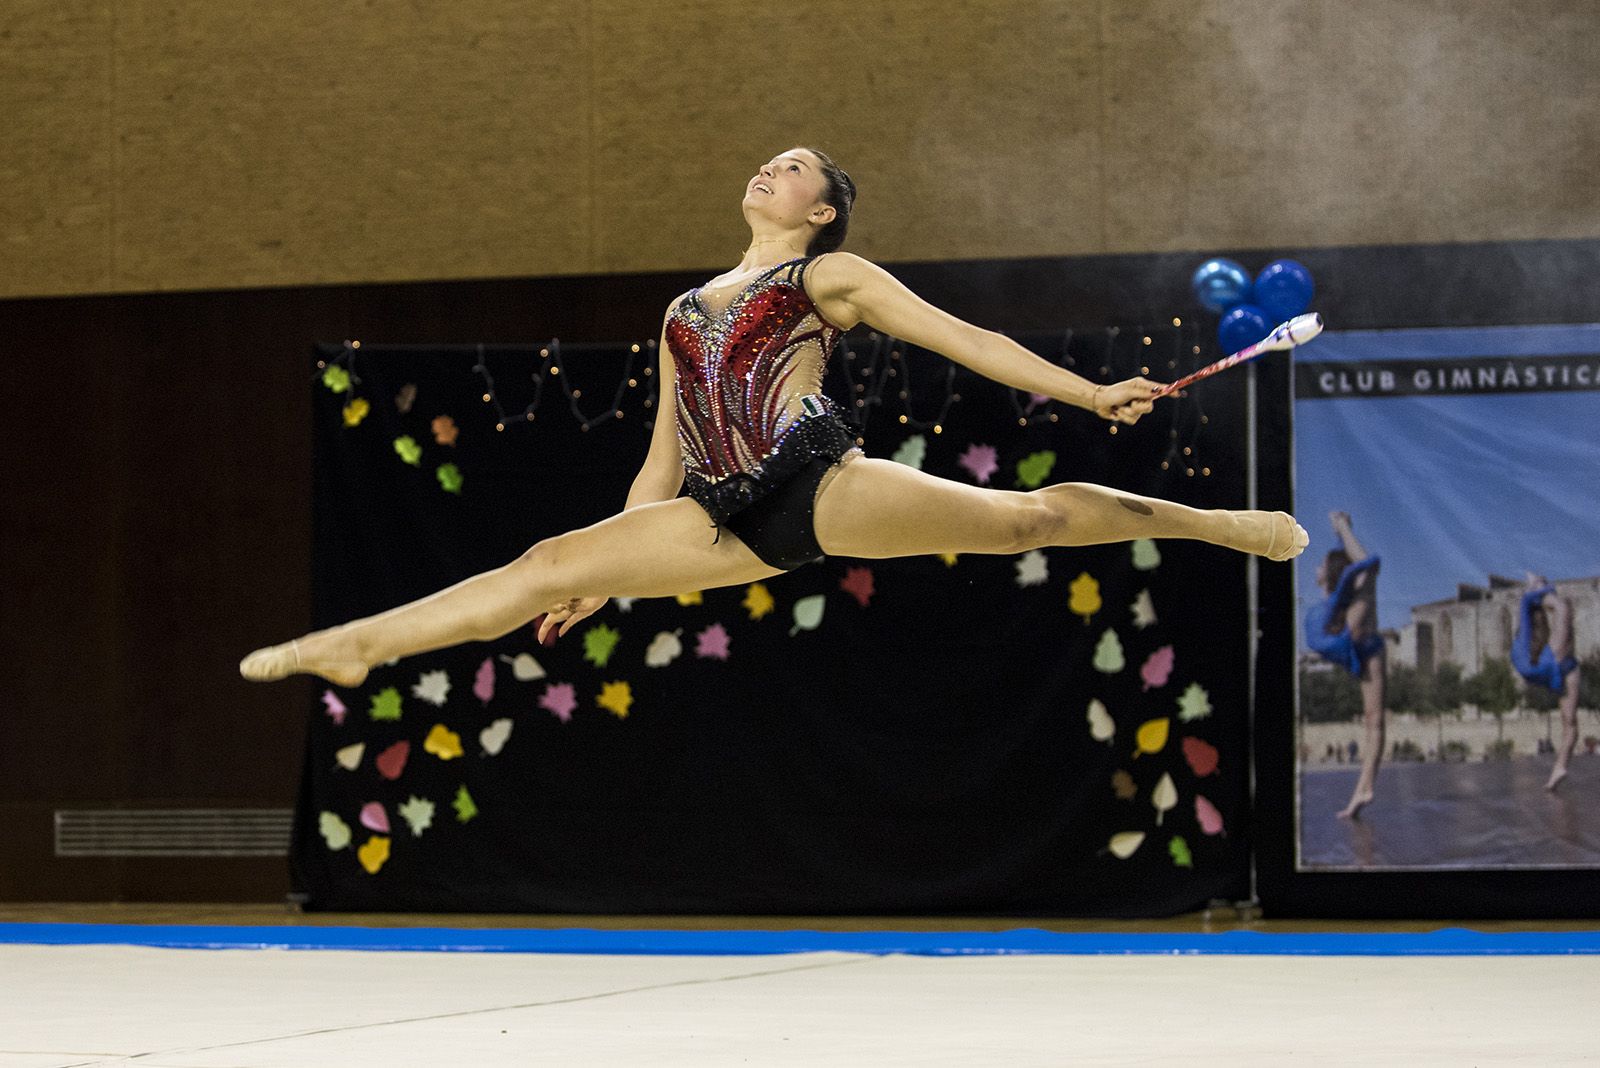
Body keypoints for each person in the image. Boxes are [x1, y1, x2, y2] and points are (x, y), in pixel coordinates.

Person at [241, 147, 1308, 686]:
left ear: (822, 208)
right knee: (549, 561)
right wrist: (610, 572)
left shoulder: (825, 275)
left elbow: (962, 340)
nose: (771, 167)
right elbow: (664, 455)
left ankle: (1221, 528)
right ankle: (356, 646)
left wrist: (1085, 393)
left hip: (821, 485)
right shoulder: (680, 309)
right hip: (715, 516)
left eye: (794, 167)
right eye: (769, 159)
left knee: (1024, 519)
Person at [1304, 511, 1384, 819]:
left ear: (1329, 573)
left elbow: (1368, 564)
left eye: (1321, 565)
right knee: (1370, 721)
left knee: (1374, 721)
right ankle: (1361, 790)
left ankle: (1364, 787)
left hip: (1368, 646)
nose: (1316, 567)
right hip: (1358, 644)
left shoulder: (1357, 597)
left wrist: (1343, 528)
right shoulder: (1331, 608)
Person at [1513, 573, 1581, 790]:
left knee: (1570, 724)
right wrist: (1541, 588)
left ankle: (1559, 769)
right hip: (1546, 666)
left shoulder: (1534, 633)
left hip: (1557, 671)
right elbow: (1545, 604)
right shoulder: (1528, 612)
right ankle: (1539, 583)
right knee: (1563, 609)